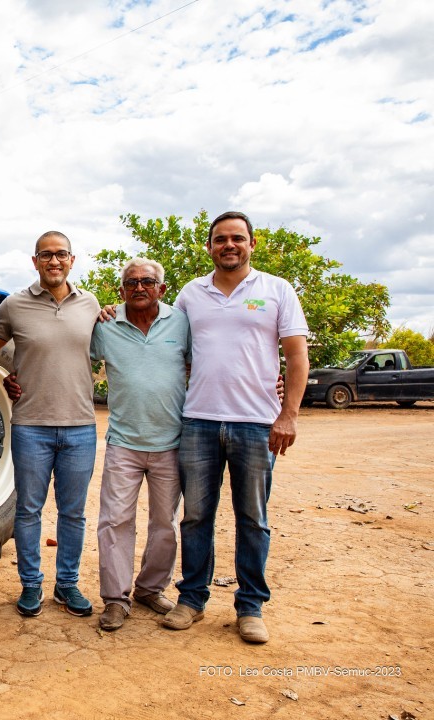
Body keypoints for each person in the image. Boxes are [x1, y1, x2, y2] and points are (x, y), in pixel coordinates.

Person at [161, 210, 309, 644]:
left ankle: (250, 608)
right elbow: (173, 348)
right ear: (209, 246)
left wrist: (289, 414)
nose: (229, 245)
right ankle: (191, 600)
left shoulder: (277, 290)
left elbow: (296, 357)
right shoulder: (192, 294)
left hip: (257, 425)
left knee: (253, 519)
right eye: (220, 239)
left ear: (252, 244)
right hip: (199, 422)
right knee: (196, 517)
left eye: (237, 238)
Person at [0, 231, 100, 618]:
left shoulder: (90, 305)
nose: (54, 261)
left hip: (80, 427)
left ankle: (67, 585)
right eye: (46, 255)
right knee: (28, 511)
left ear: (72, 260)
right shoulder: (13, 306)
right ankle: (31, 585)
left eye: (61, 255)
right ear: (34, 261)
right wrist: (3, 377)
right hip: (31, 426)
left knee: (73, 513)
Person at [89, 258, 189, 631]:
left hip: (171, 442)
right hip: (123, 443)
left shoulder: (180, 322)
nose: (139, 287)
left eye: (148, 281)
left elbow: (205, 363)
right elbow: (72, 356)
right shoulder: (105, 326)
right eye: (131, 283)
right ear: (121, 291)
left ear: (162, 289)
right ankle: (116, 599)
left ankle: (150, 588)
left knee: (165, 523)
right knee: (115, 521)